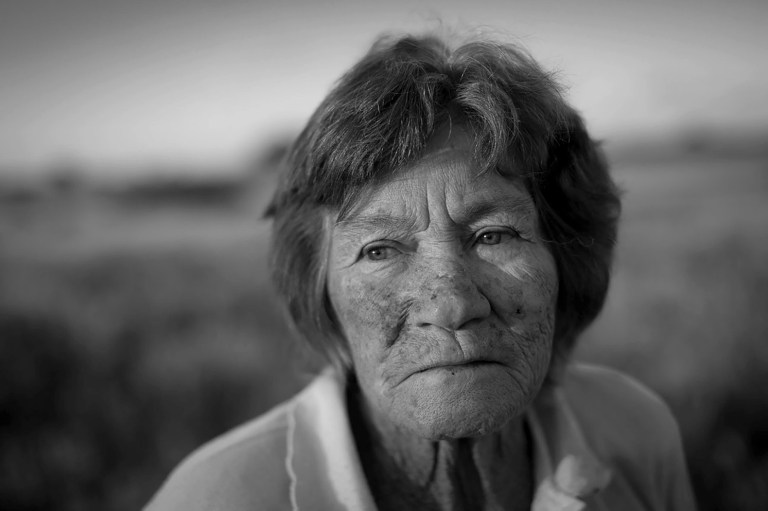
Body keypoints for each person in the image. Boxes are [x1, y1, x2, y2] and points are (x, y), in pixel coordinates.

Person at [145, 31, 697, 511]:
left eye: (493, 235)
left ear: (566, 264)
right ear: (321, 296)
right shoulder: (216, 497)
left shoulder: (634, 432)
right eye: (380, 250)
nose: (452, 304)